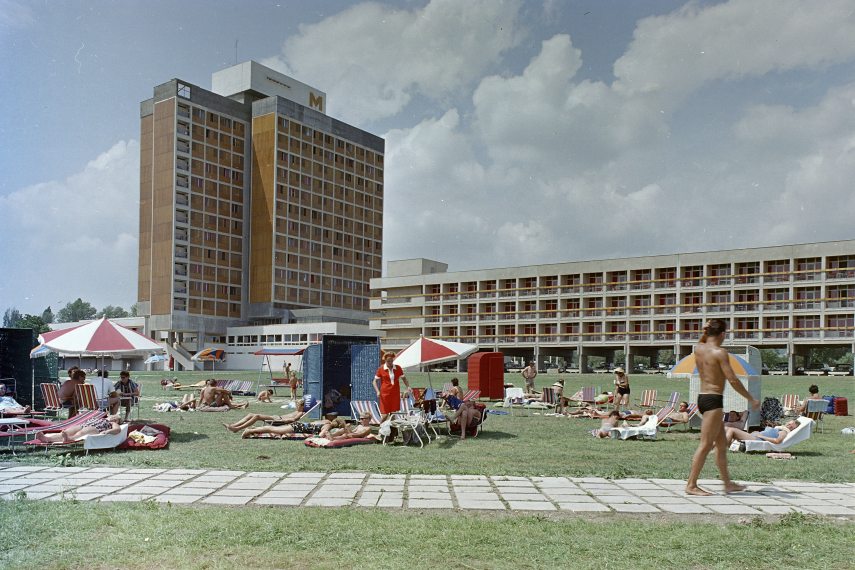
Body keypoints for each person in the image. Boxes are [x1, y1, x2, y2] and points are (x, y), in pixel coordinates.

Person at [686, 319, 760, 496]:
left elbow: (702, 340)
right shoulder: (720, 353)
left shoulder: (699, 349)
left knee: (720, 444)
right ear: (723, 335)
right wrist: (751, 399)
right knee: (705, 444)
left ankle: (727, 483)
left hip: (703, 398)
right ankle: (691, 485)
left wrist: (705, 331)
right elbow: (733, 380)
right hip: (714, 400)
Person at [240, 412, 343, 439]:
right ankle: (248, 431)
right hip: (297, 427)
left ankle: (253, 430)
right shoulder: (328, 426)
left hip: (298, 425)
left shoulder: (324, 421)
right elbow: (321, 434)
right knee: (273, 429)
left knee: (275, 429)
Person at [223, 400, 305, 432]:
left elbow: (293, 420)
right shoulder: (297, 410)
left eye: (298, 404)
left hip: (278, 420)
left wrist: (281, 421)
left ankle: (237, 429)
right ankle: (233, 425)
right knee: (251, 414)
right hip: (276, 417)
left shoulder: (300, 413)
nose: (296, 405)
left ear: (302, 406)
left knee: (257, 416)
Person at [372, 352, 411, 421]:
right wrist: (377, 391)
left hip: (395, 393)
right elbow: (374, 382)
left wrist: (408, 387)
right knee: (385, 414)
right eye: (388, 361)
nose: (390, 362)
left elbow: (404, 378)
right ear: (385, 360)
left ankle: (393, 430)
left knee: (393, 413)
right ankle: (381, 428)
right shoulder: (381, 369)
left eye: (391, 360)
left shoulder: (398, 368)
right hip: (384, 393)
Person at [34, 414, 122, 443]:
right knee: (66, 431)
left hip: (96, 428)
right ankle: (47, 439)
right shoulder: (100, 417)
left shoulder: (111, 423)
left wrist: (108, 431)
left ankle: (69, 439)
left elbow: (118, 430)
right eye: (113, 416)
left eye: (117, 419)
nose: (114, 418)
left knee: (80, 434)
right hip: (85, 424)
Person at [725, 420, 798, 447]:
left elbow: (777, 441)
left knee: (731, 430)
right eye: (789, 423)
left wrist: (761, 436)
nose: (789, 425)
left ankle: (724, 449)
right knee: (726, 429)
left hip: (756, 439)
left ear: (793, 429)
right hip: (754, 436)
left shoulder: (784, 432)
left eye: (791, 426)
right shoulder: (779, 428)